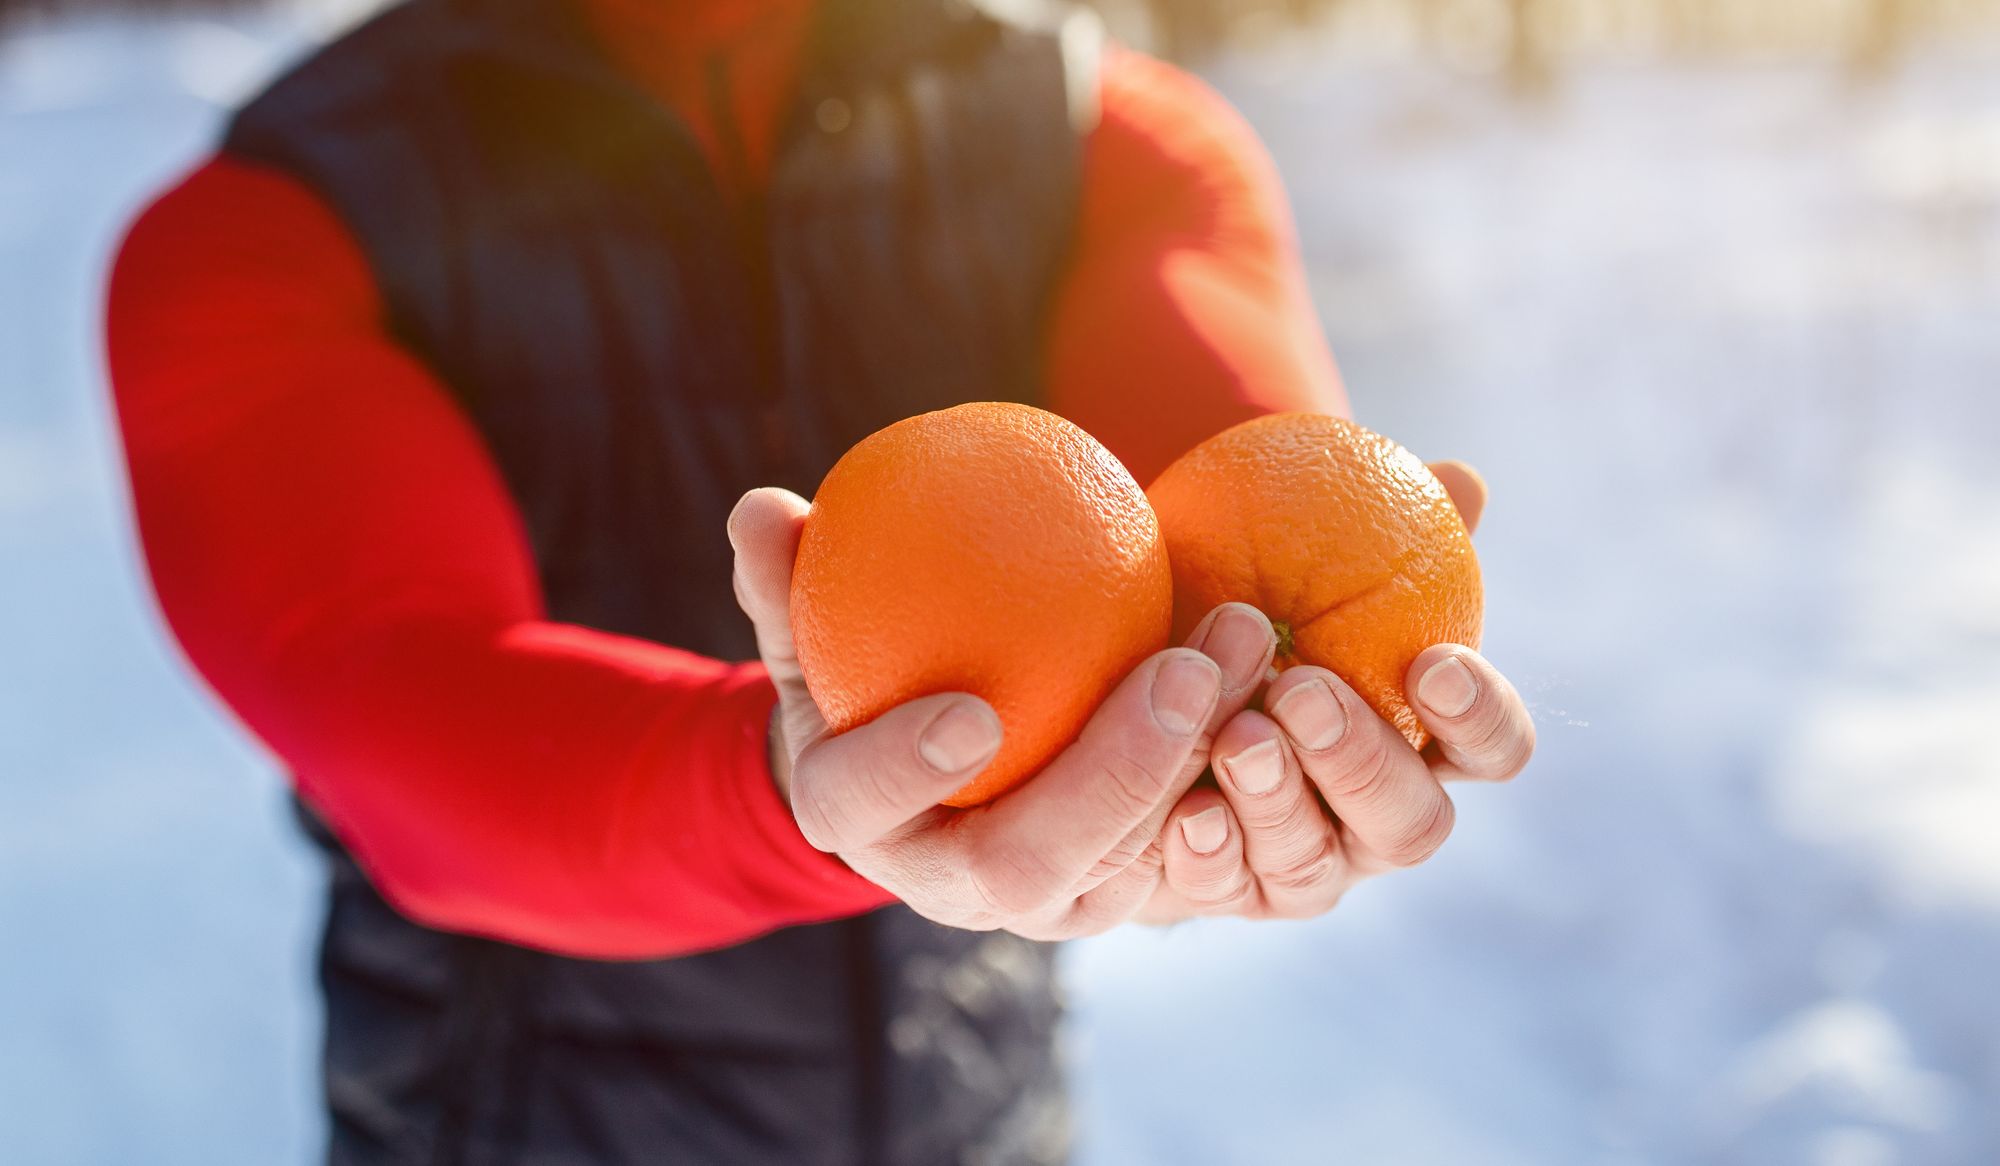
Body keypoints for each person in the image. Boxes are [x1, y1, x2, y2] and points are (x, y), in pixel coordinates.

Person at [105, 0, 1536, 1159]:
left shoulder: (1107, 141)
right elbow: (398, 696)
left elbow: (1250, 541)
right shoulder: (278, 218)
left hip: (978, 1121)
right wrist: (792, 794)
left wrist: (1242, 768)